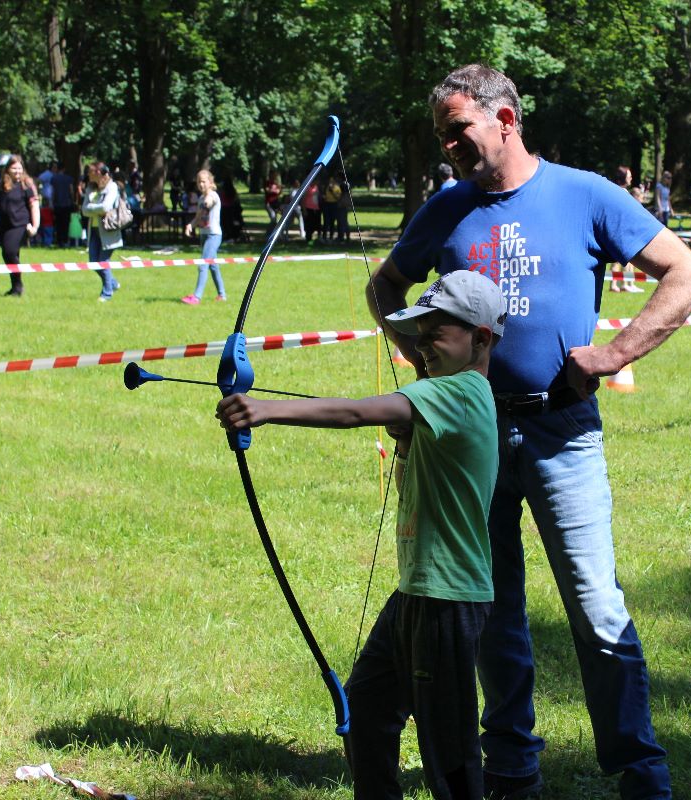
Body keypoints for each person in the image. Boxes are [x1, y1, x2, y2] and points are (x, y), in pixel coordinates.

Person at [367, 64, 691, 800]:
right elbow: (384, 285)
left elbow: (688, 274)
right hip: (473, 441)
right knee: (491, 612)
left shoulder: (584, 194)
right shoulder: (447, 208)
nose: (448, 147)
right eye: (441, 135)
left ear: (505, 120)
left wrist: (613, 354)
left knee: (595, 605)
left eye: (457, 130)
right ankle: (511, 765)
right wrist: (427, 368)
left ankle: (641, 774)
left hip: (563, 432)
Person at [219, 270, 503, 800]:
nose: (423, 345)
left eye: (436, 333)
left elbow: (355, 412)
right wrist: (405, 443)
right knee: (366, 709)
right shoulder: (445, 401)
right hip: (416, 592)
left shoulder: (462, 391)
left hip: (448, 600)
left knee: (449, 752)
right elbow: (416, 481)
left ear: (480, 338)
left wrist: (265, 410)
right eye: (419, 334)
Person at [0, 155, 40, 297]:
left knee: (9, 252)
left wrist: (35, 226)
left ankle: (18, 285)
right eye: (14, 168)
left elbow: (34, 205)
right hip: (4, 226)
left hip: (20, 225)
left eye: (19, 168)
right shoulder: (1, 186)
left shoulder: (26, 185)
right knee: (9, 255)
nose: (17, 171)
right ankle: (15, 288)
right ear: (8, 169)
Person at [81, 162, 123, 301]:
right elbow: (84, 210)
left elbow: (106, 207)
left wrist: (92, 207)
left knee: (103, 262)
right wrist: (96, 209)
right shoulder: (90, 188)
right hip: (93, 230)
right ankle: (113, 283)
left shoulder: (112, 187)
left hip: (108, 230)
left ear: (98, 173)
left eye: (90, 172)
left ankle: (107, 293)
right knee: (94, 263)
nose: (88, 175)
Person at [182, 169, 225, 304]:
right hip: (204, 235)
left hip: (213, 235)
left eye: (204, 182)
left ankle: (197, 297)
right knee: (213, 266)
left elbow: (209, 202)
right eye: (199, 182)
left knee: (203, 264)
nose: (201, 184)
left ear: (210, 182)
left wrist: (207, 199)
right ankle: (222, 295)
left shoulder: (213, 196)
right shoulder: (200, 198)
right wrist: (191, 225)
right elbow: (198, 217)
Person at [50, 163, 76, 248]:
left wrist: (52, 202)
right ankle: (65, 240)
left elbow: (52, 192)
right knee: (66, 223)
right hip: (67, 204)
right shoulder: (69, 178)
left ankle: (59, 240)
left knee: (58, 223)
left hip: (57, 204)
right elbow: (71, 191)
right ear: (64, 169)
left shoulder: (54, 178)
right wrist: (73, 201)